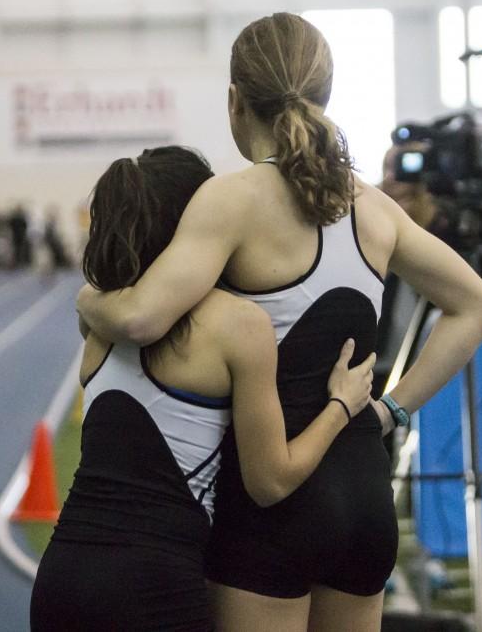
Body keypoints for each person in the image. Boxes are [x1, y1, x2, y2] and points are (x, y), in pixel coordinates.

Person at [76, 13, 482, 630]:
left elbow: (140, 318)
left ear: (234, 101)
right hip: (362, 492)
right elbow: (477, 306)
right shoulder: (375, 210)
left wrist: (89, 302)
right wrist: (391, 410)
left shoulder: (232, 199)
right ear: (324, 95)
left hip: (272, 503)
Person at [30, 146, 378, 631]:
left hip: (61, 578)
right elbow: (271, 481)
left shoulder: (99, 314)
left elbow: (118, 308)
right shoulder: (237, 325)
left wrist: (88, 296)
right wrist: (342, 404)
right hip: (153, 586)